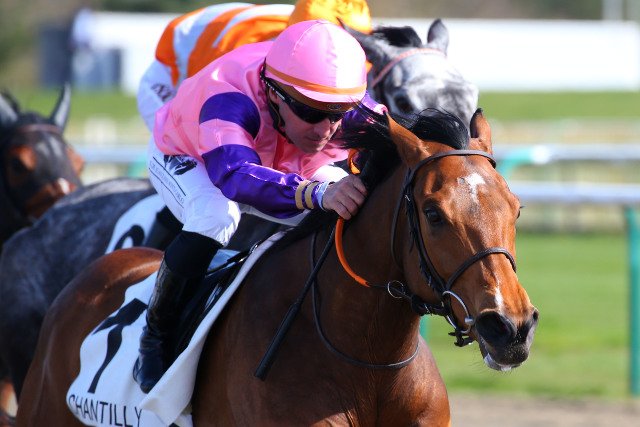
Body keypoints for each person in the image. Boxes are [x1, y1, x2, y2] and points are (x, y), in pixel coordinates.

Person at [134, 19, 384, 393]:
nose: (325, 129)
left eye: (337, 114)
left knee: (351, 208)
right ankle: (155, 335)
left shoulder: (342, 99)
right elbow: (234, 178)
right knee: (216, 217)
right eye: (311, 113)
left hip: (282, 156)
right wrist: (316, 194)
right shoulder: (229, 97)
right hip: (192, 153)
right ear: (274, 94)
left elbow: (400, 141)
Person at [137, 0, 372, 131]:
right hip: (173, 74)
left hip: (222, 32)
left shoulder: (331, 49)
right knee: (194, 149)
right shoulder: (243, 54)